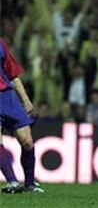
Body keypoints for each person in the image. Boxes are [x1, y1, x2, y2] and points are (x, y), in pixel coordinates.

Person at [0, 38, 44, 193]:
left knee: (27, 141)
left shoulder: (1, 44)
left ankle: (30, 183)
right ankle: (12, 182)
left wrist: (25, 100)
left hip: (7, 97)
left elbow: (12, 74)